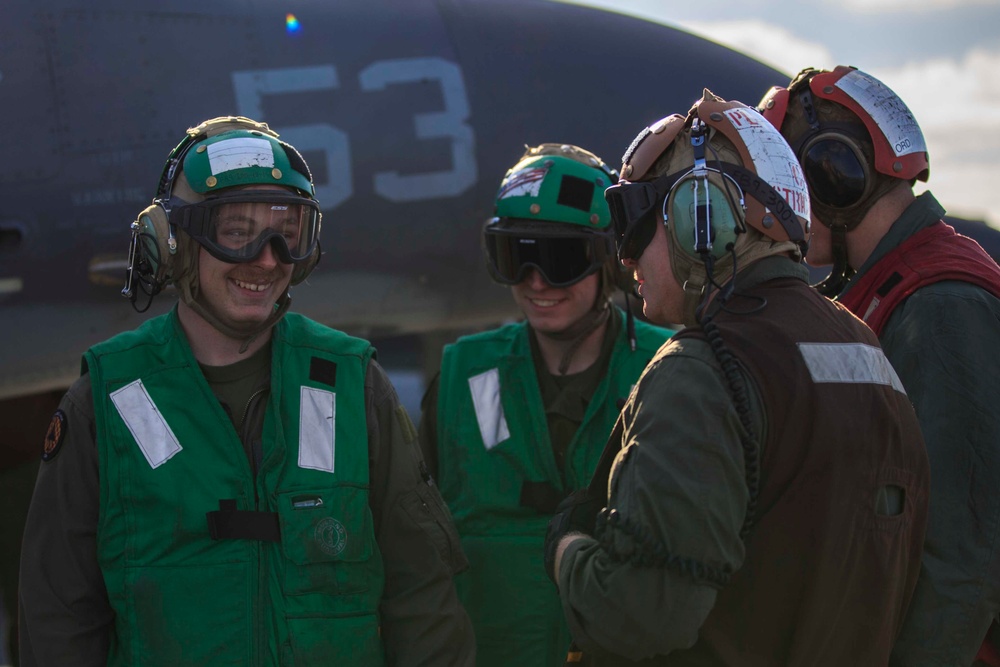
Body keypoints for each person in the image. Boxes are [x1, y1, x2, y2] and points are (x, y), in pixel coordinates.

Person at [18, 116, 475, 667]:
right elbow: (59, 620)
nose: (265, 258)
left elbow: (421, 593)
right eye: (236, 232)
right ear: (175, 243)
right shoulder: (109, 400)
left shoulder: (351, 383)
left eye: (287, 233)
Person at [545, 91, 931, 665]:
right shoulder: (862, 348)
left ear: (701, 221)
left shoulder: (700, 371)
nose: (625, 258)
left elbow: (643, 616)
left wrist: (565, 548)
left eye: (633, 223)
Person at [759, 65, 1000, 666]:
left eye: (788, 181)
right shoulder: (888, 288)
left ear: (833, 177)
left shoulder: (940, 306)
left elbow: (962, 559)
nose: (777, 208)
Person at [418, 144, 673, 666]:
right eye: (517, 256)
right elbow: (412, 547)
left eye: (559, 260)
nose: (536, 282)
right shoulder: (464, 375)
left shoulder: (668, 367)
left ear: (608, 258)